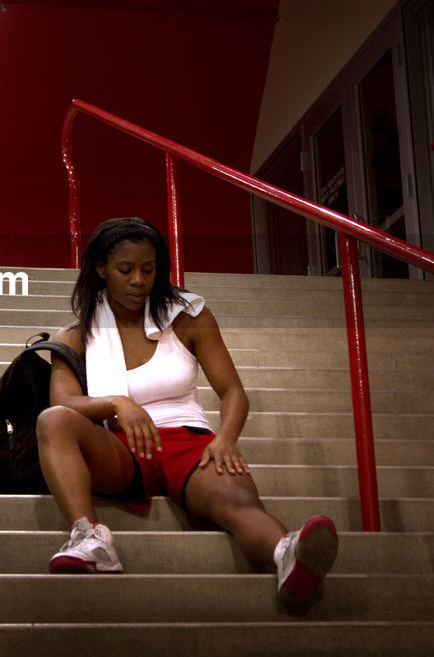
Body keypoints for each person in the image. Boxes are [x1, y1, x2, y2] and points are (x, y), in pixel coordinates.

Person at [36, 217, 338, 612]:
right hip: (119, 446)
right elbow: (62, 402)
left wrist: (225, 439)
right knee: (52, 421)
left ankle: (288, 556)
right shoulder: (77, 334)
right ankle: (90, 538)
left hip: (189, 442)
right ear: (100, 269)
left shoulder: (189, 317)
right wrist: (115, 403)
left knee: (238, 502)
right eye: (125, 270)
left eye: (149, 269)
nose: (139, 280)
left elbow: (232, 392)